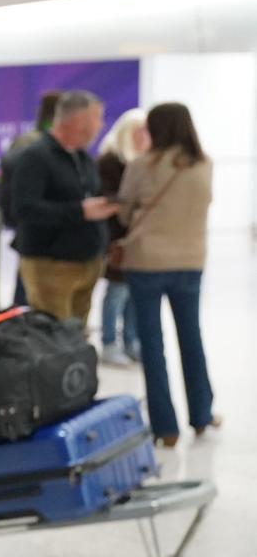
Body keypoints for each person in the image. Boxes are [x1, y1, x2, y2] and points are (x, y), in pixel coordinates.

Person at [117, 103, 218, 448]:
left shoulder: (141, 166)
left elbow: (125, 211)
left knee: (152, 343)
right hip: (191, 261)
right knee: (192, 337)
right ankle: (202, 415)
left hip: (146, 262)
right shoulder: (205, 165)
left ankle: (166, 427)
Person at [11, 90, 117, 323]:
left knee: (75, 338)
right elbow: (25, 208)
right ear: (78, 121)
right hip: (51, 265)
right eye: (97, 118)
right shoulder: (35, 157)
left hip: (87, 262)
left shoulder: (83, 158)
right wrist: (80, 211)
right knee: (54, 338)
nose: (101, 125)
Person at [0, 90, 61, 306]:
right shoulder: (37, 146)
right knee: (29, 287)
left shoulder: (27, 142)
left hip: (32, 225)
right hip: (35, 226)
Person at [96, 109, 149, 365]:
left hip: (140, 239)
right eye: (140, 131)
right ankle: (108, 342)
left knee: (134, 294)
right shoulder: (111, 161)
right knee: (117, 292)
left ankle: (131, 341)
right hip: (117, 238)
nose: (145, 137)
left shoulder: (144, 162)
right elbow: (109, 199)